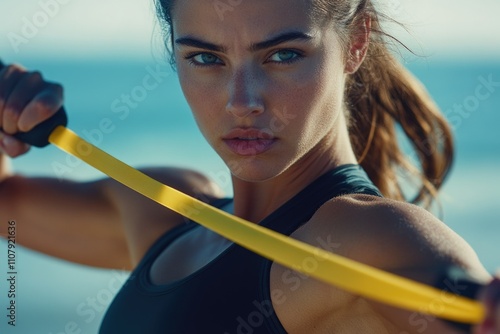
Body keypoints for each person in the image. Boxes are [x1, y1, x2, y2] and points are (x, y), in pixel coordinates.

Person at [0, 0, 499, 332]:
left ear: (357, 41)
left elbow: (463, 302)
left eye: (282, 54)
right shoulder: (164, 215)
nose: (242, 102)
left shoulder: (366, 238)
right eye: (204, 59)